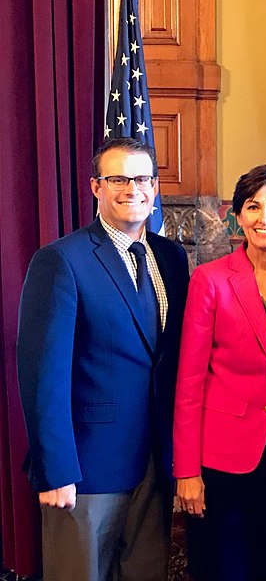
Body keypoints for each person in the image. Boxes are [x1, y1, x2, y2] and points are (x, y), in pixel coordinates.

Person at [16, 137, 190, 581]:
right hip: (85, 472)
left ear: (155, 188)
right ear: (96, 186)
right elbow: (43, 376)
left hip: (154, 464)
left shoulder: (170, 258)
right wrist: (55, 470)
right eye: (117, 179)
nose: (132, 189)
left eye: (142, 179)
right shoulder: (61, 260)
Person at [172, 165, 266, 581]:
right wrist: (186, 471)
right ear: (238, 215)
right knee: (226, 568)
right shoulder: (210, 280)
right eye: (254, 207)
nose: (265, 218)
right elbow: (189, 381)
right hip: (223, 460)